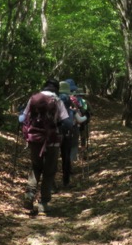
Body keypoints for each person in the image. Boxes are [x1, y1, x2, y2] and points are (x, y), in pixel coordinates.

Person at [20, 79, 72, 215]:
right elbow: (67, 122)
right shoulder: (57, 101)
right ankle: (43, 203)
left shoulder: (33, 99)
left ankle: (30, 195)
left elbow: (22, 118)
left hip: (34, 140)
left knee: (35, 167)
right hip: (52, 141)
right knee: (49, 171)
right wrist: (61, 128)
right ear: (56, 89)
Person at [57, 80, 88, 188]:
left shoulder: (53, 102)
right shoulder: (71, 106)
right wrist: (86, 117)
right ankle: (66, 181)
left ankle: (51, 184)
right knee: (66, 157)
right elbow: (80, 118)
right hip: (68, 133)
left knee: (52, 158)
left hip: (53, 134)